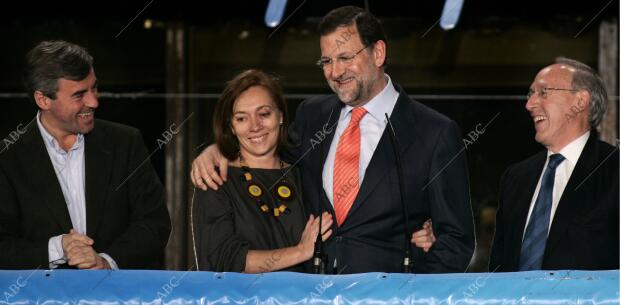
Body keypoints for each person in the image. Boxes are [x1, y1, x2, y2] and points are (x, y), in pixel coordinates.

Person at [191, 6, 472, 273]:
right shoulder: (313, 115)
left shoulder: (434, 133)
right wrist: (217, 150)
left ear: (378, 53)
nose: (335, 72)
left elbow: (455, 243)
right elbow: (264, 148)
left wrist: (412, 294)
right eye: (327, 61)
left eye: (345, 58)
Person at [0, 40, 171, 270]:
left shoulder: (126, 142)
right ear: (43, 99)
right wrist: (58, 248)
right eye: (79, 95)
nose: (94, 101)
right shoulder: (7, 158)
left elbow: (155, 223)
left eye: (94, 87)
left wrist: (106, 262)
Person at [191, 69, 334, 273]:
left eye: (264, 114)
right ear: (231, 127)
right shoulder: (216, 180)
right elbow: (223, 260)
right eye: (242, 118)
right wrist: (300, 251)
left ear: (281, 116)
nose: (255, 126)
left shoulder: (303, 173)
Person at [490, 57, 619, 271]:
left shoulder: (614, 170)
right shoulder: (515, 177)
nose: (529, 104)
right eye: (530, 94)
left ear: (580, 101)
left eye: (543, 92)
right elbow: (499, 266)